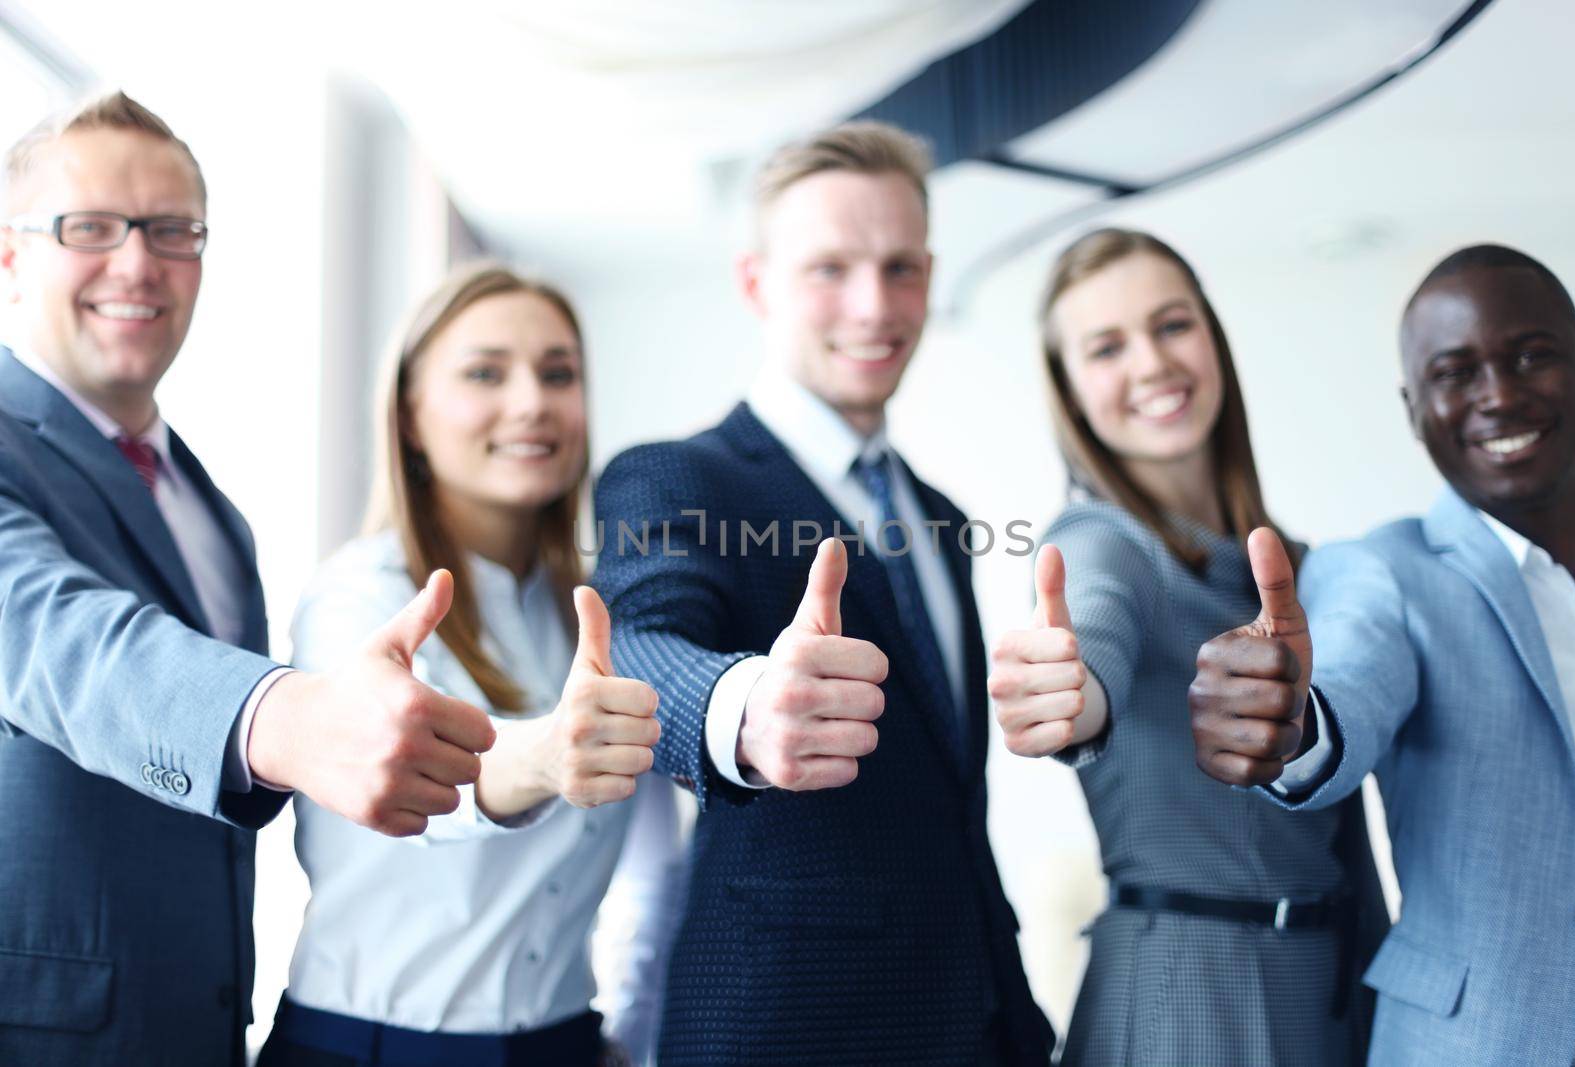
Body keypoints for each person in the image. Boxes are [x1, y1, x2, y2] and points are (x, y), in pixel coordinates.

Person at [0, 92, 495, 1067]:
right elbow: (59, 640)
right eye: (90, 227)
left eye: (173, 229)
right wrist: (287, 719)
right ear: (11, 256)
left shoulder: (210, 507)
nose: (138, 261)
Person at [590, 121, 1052, 1066]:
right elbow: (641, 641)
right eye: (829, 269)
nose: (874, 305)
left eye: (900, 268)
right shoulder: (679, 476)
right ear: (756, 283)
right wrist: (746, 705)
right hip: (786, 1024)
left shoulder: (941, 516)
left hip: (979, 1020)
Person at [259, 264, 682, 1067]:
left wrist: (627, 1025)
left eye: (558, 373)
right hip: (372, 1049)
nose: (532, 401)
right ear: (411, 414)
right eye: (486, 371)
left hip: (566, 1043)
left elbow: (654, 853)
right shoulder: (360, 597)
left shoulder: (592, 612)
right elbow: (406, 766)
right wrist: (546, 754)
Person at [1189, 244, 1575, 1065]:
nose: (1500, 394)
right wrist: (1292, 722)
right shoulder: (1385, 570)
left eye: (1532, 355)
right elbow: (1349, 679)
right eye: (1456, 373)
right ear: (1414, 411)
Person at [987, 227, 1386, 1065]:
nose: (1151, 363)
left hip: (1330, 990)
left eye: (1171, 325)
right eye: (1106, 347)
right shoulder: (1103, 539)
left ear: (1211, 335)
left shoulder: (1294, 568)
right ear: (1070, 388)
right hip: (1190, 994)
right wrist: (1072, 691)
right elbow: (1093, 627)